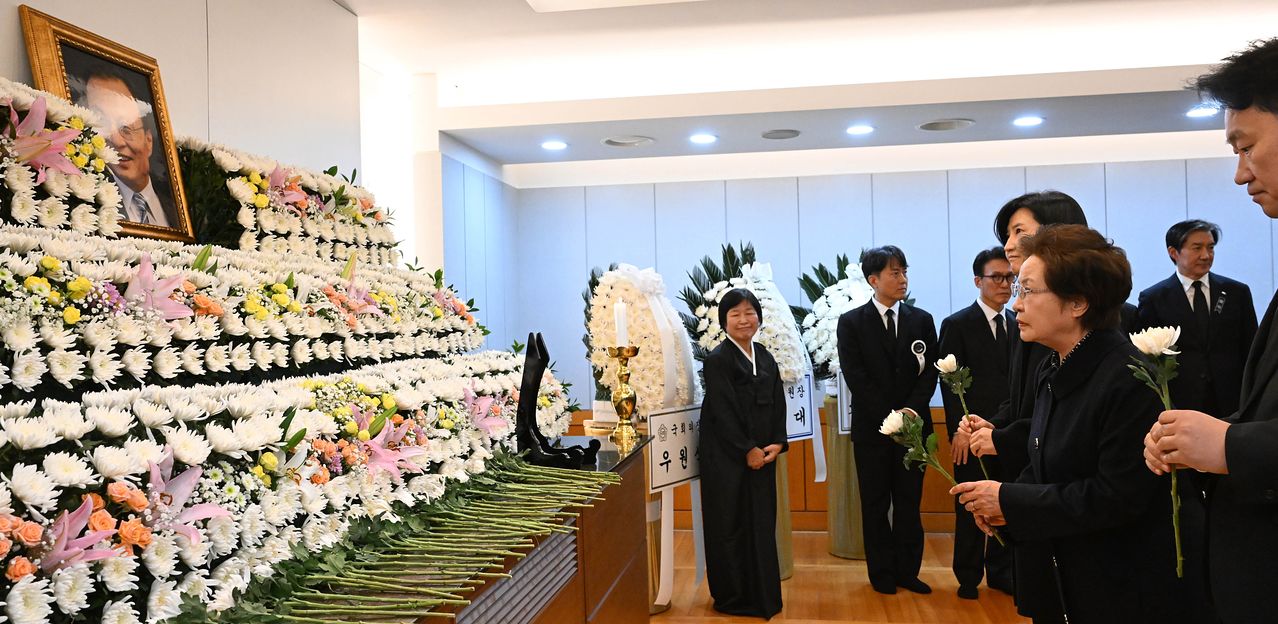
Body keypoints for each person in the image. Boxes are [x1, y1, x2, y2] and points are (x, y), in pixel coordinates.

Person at [953, 225, 1195, 623]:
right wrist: (1003, 507)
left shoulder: (1129, 377)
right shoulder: (1053, 366)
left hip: (1115, 586)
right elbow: (1042, 464)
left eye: (1028, 291)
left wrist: (1010, 501)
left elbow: (1116, 496)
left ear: (1078, 302)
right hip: (1061, 575)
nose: (1016, 304)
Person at [1145, 37, 1278, 624]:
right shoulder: (1154, 298)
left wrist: (1228, 442)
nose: (1240, 173)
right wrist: (1196, 435)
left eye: (1246, 147)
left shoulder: (1238, 292)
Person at [959, 191, 1088, 490]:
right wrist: (997, 425)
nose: (1008, 246)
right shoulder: (1025, 318)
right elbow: (1024, 399)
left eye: (1019, 232)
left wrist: (1003, 439)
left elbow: (1068, 422)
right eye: (1007, 235)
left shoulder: (1076, 323)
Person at [836, 245, 937, 595]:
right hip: (872, 430)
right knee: (876, 503)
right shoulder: (851, 323)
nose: (902, 279)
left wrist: (910, 412)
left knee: (909, 503)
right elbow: (856, 375)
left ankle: (908, 571)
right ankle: (881, 573)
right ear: (873, 280)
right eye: (894, 273)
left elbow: (929, 373)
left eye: (904, 271)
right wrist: (890, 417)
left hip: (914, 429)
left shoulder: (922, 320)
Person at [698, 288, 788, 619]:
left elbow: (778, 401)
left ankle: (762, 594)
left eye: (749, 312)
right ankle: (732, 596)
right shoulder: (718, 360)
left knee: (761, 523)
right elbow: (722, 410)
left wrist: (778, 442)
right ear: (724, 322)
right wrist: (746, 448)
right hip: (726, 458)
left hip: (763, 455)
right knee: (729, 524)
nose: (743, 319)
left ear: (759, 318)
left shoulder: (764, 356)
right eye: (735, 314)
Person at [937, 246, 1015, 599]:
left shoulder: (1018, 323)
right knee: (970, 503)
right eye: (996, 277)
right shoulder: (957, 324)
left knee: (1004, 499)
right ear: (977, 281)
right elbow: (949, 383)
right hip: (970, 431)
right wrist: (960, 429)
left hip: (1006, 431)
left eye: (1010, 277)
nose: (1005, 284)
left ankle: (1001, 571)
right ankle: (968, 576)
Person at [1137, 219, 1257, 417]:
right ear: (1173, 252)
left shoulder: (1237, 292)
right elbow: (1148, 357)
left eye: (1211, 248)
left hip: (1232, 399)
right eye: (1197, 248)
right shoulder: (1154, 298)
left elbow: (1251, 347)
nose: (1206, 255)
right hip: (1181, 400)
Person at [78, 68, 177, 228]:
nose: (117, 141)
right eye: (102, 126)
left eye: (126, 128)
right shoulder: (84, 210)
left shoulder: (178, 207)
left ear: (149, 141)